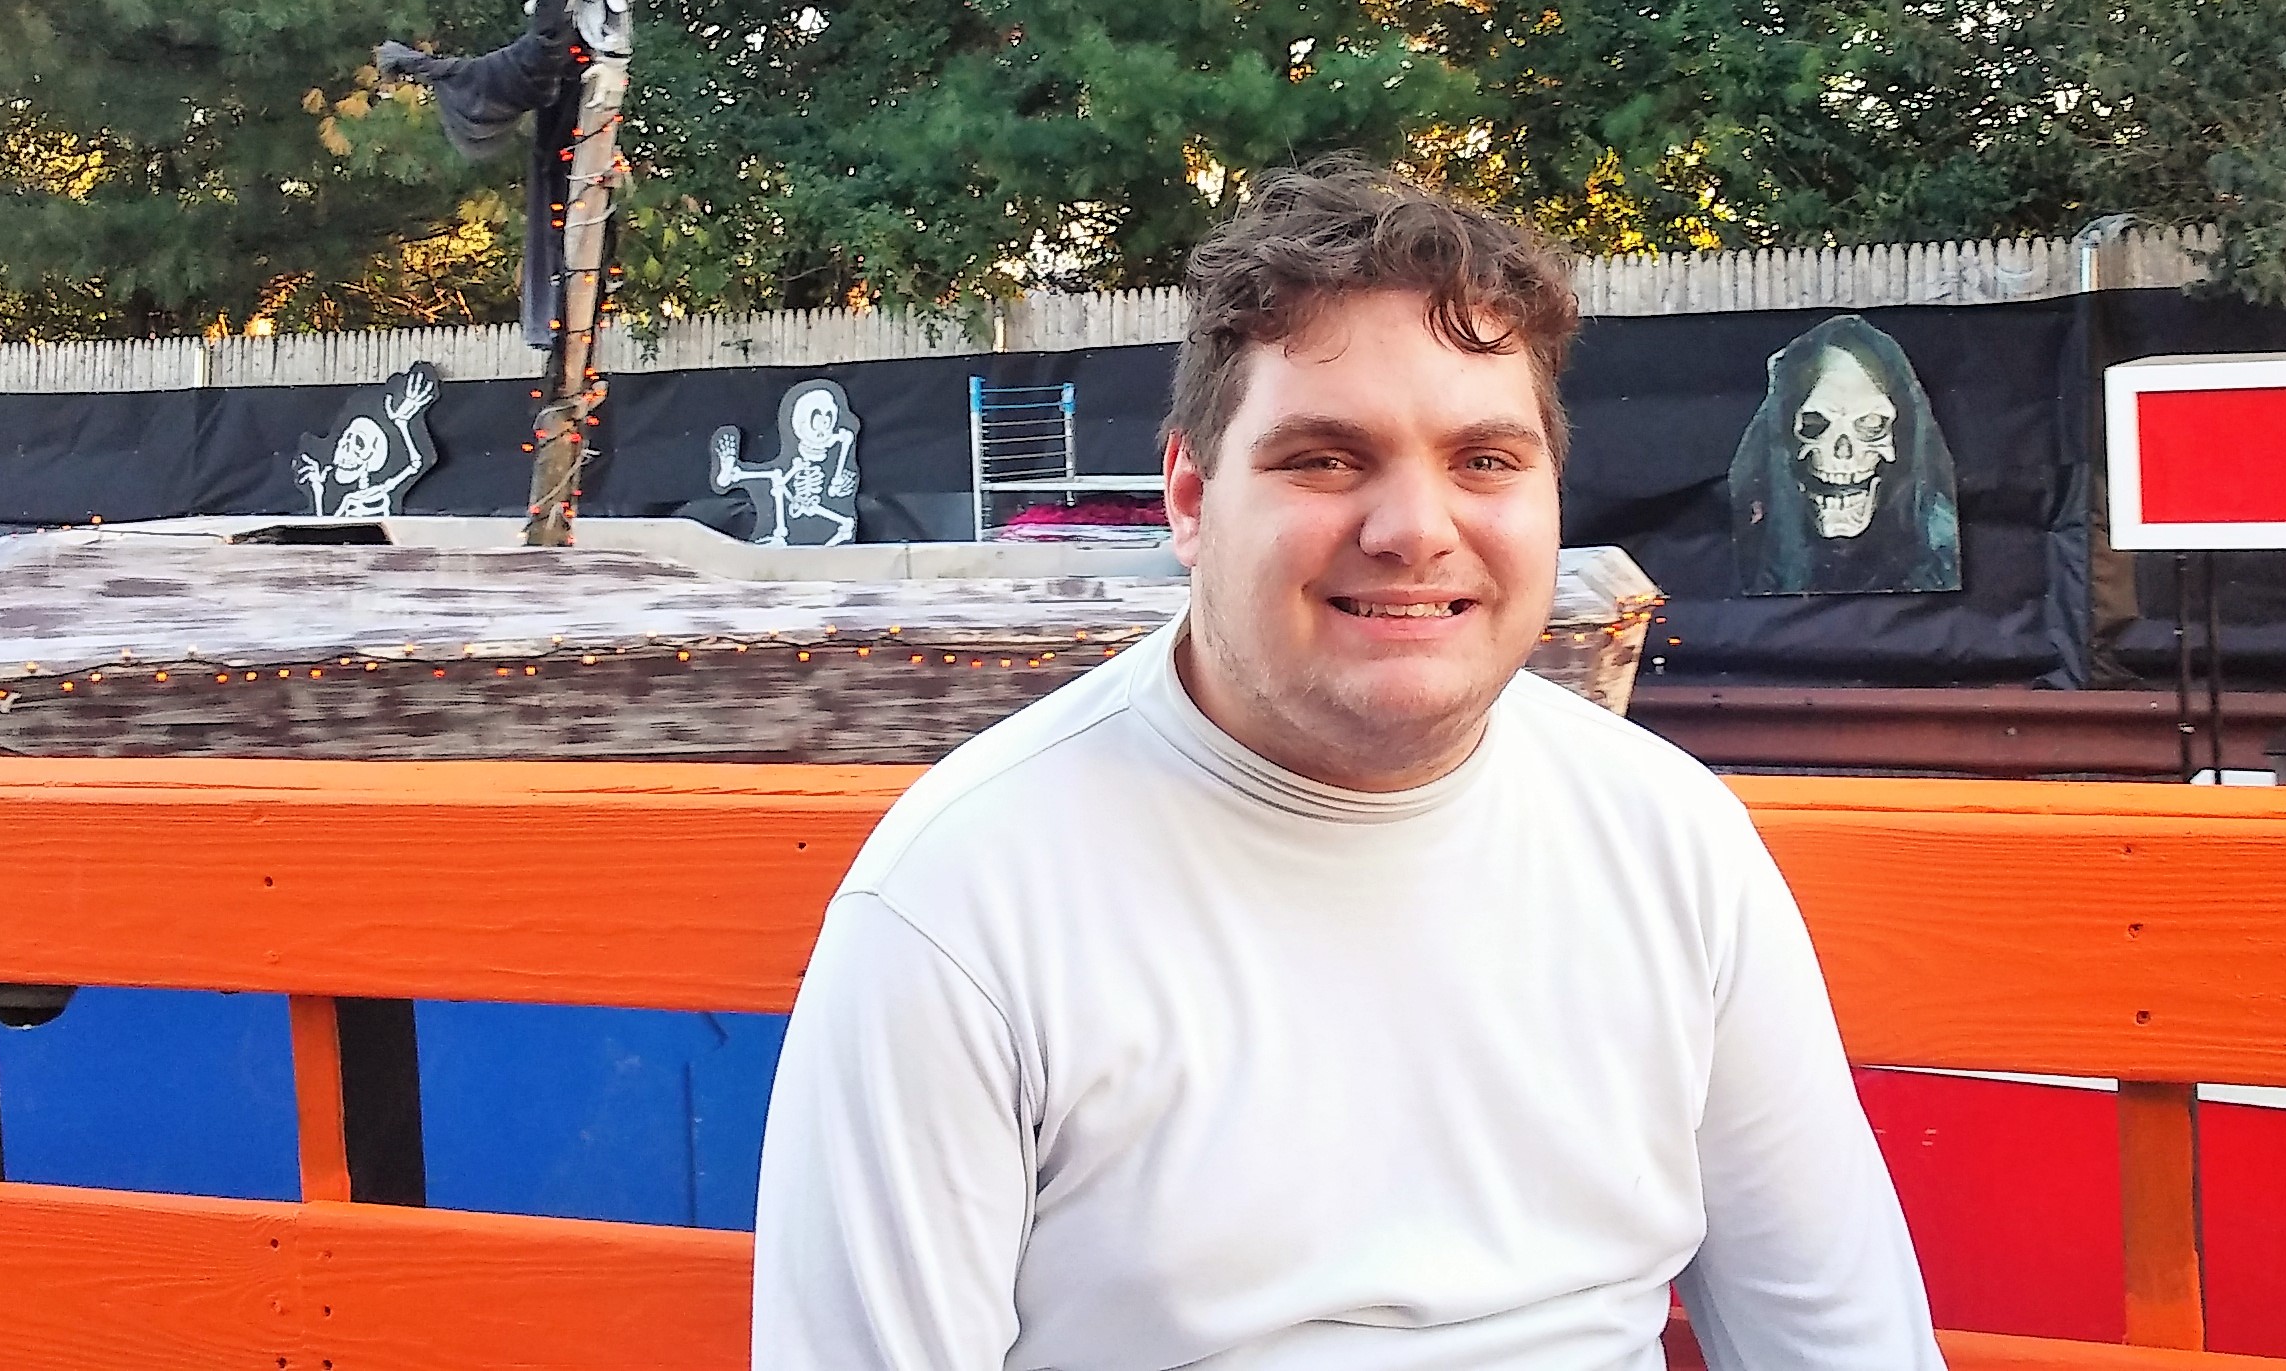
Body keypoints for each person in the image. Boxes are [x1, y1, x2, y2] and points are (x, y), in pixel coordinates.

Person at [753, 163, 1941, 1369]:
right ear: (1189, 496)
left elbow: (1838, 1335)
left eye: (1484, 459)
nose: (1415, 527)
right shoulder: (964, 896)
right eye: (1325, 458)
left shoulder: (1668, 839)